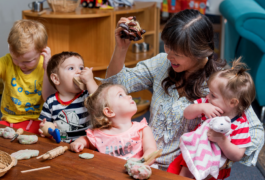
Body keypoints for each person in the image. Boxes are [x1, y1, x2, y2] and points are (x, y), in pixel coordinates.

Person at [101, 9, 264, 170]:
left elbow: (256, 131)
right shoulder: (161, 64)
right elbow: (113, 88)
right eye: (167, 46)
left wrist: (222, 156)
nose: (169, 56)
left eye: (178, 53)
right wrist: (121, 48)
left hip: (183, 169)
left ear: (200, 52)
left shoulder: (220, 84)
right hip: (144, 158)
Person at [169, 57, 255, 179]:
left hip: (215, 166)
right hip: (195, 153)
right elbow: (187, 114)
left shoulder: (241, 124)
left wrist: (222, 141)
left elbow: (237, 155)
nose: (208, 96)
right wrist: (202, 107)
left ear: (232, 102)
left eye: (213, 95)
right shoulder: (209, 104)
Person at [0, 20, 53, 134]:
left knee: (50, 133)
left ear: (43, 50)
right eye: (15, 59)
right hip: (10, 121)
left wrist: (47, 69)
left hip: (39, 121)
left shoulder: (47, 65)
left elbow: (49, 98)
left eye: (28, 61)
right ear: (9, 47)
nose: (20, 65)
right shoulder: (6, 62)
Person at [70, 83, 157, 163]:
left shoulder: (143, 129)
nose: (129, 96)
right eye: (120, 95)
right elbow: (86, 140)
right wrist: (78, 143)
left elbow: (151, 149)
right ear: (109, 111)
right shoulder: (99, 135)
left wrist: (141, 162)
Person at [38, 51, 98, 143]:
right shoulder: (51, 102)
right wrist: (45, 128)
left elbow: (100, 100)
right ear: (56, 79)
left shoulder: (86, 95)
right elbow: (44, 124)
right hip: (61, 146)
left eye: (81, 67)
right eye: (71, 68)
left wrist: (90, 81)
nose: (79, 71)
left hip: (87, 145)